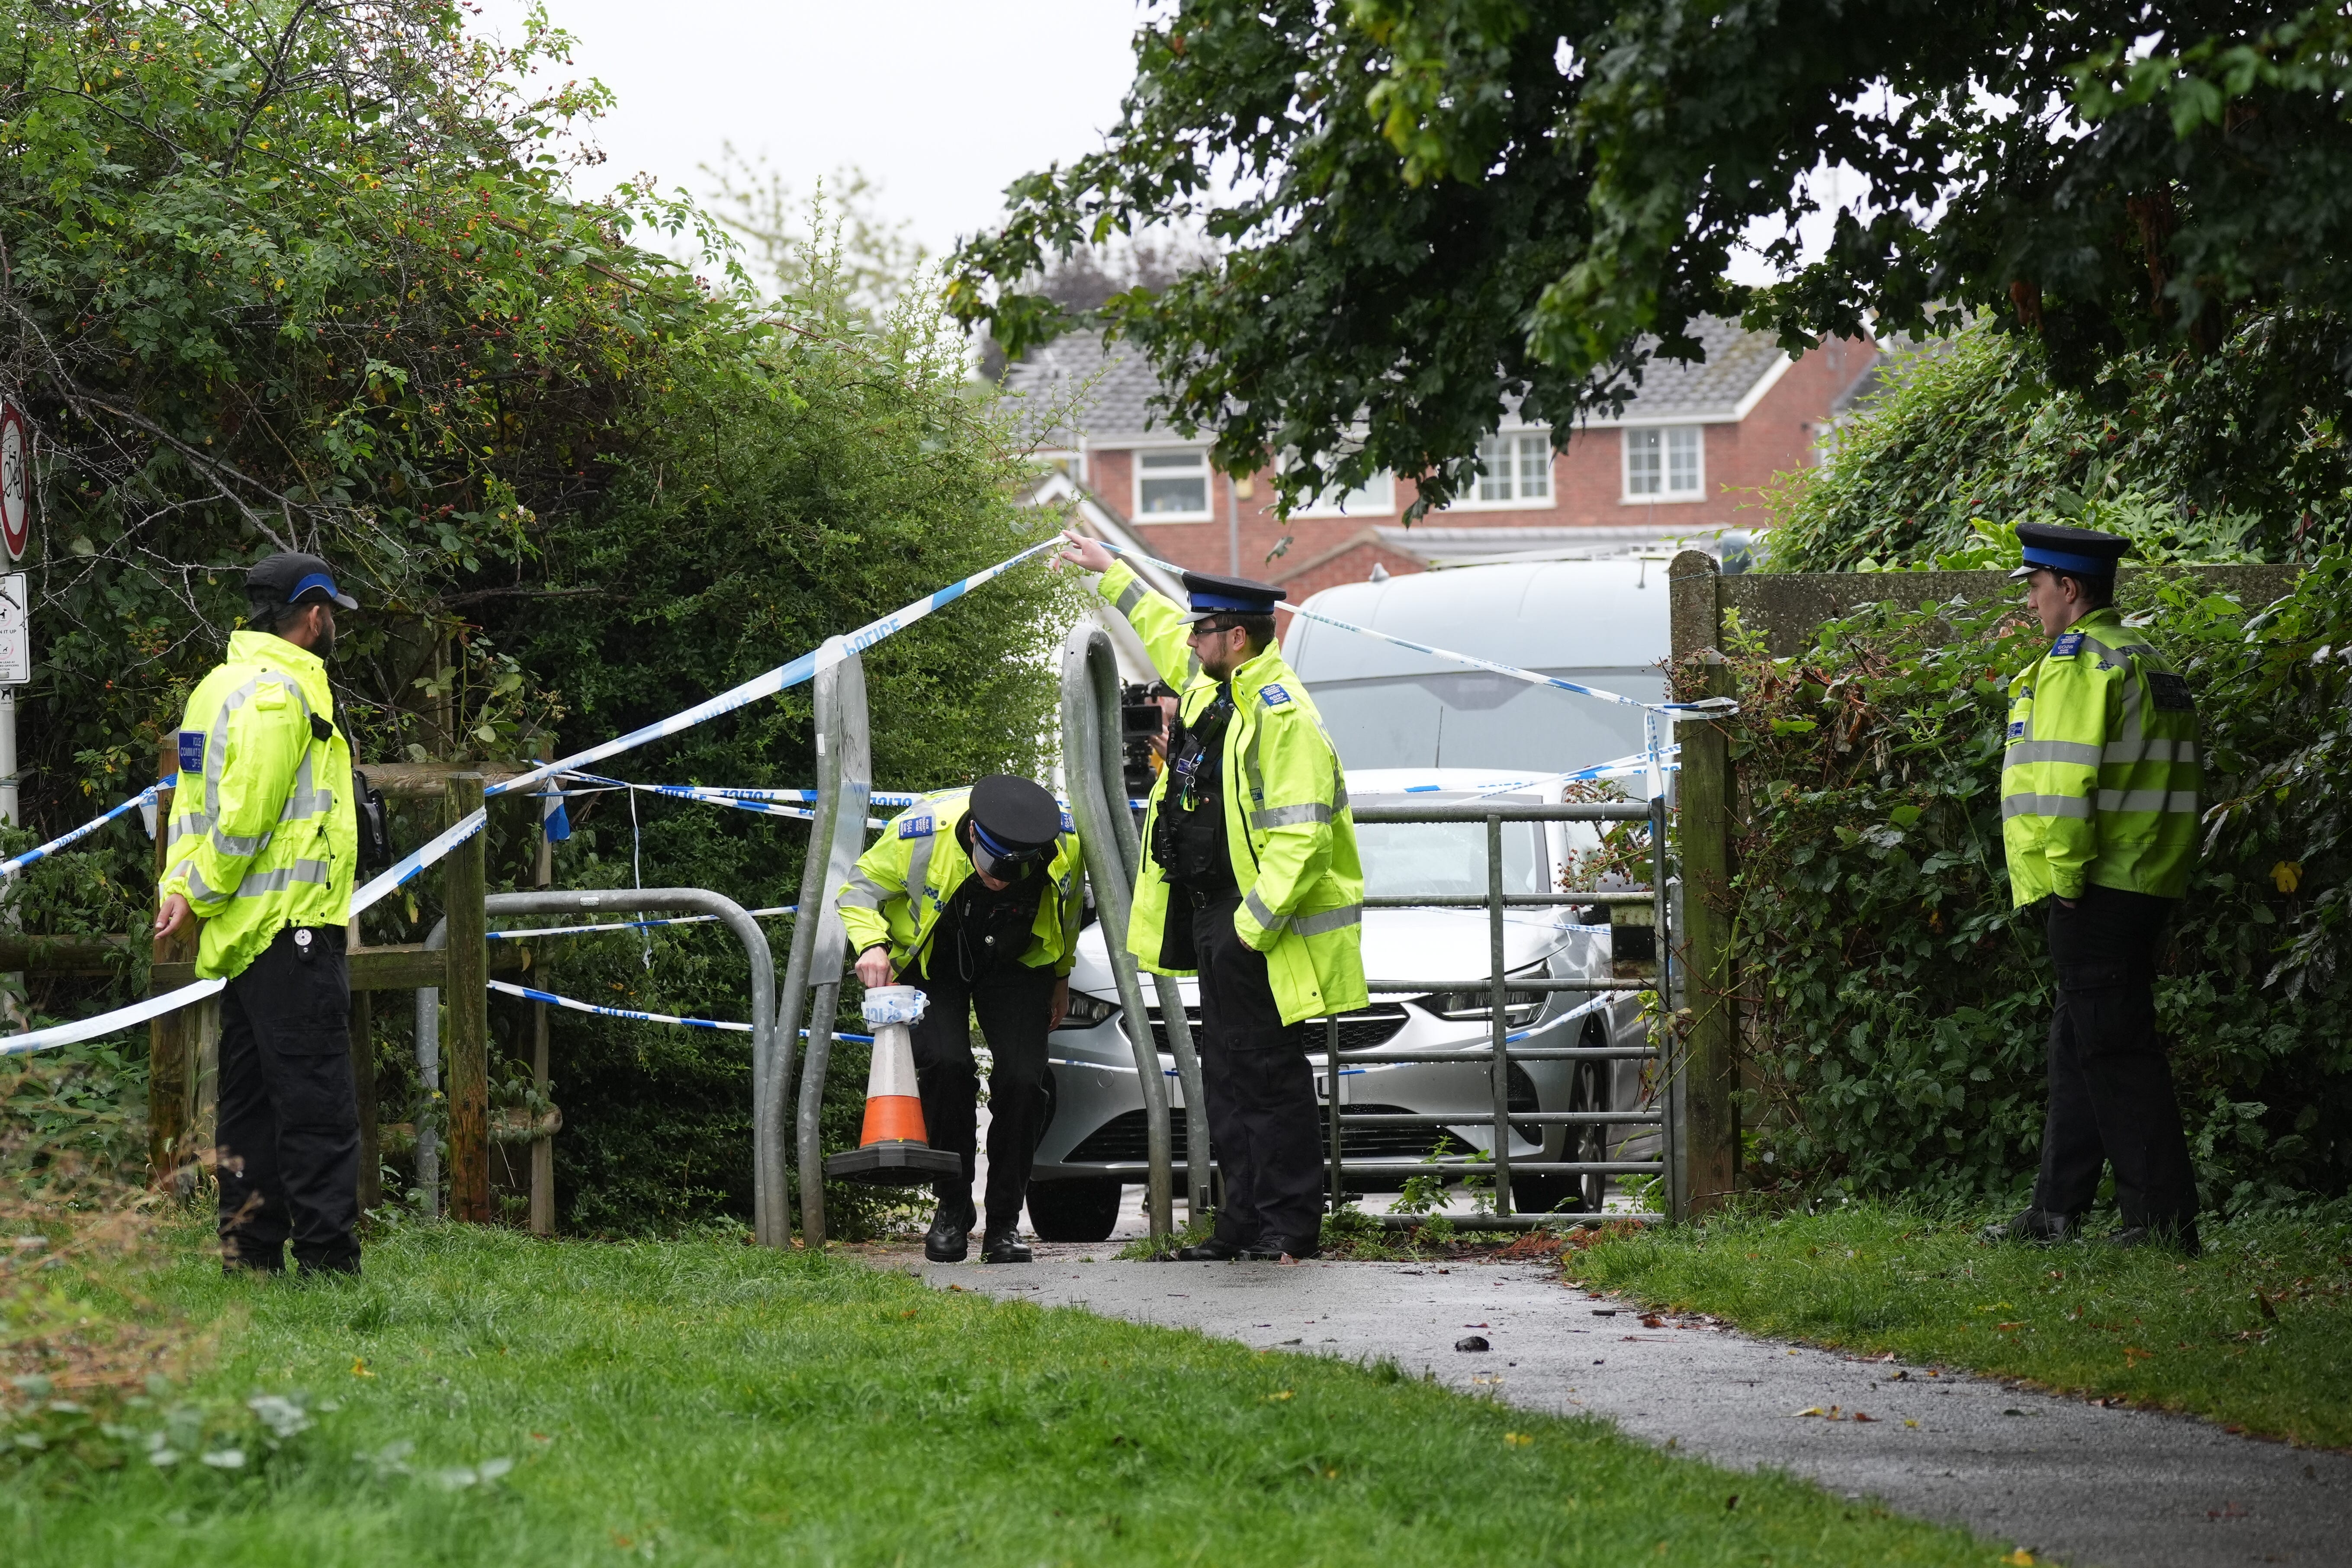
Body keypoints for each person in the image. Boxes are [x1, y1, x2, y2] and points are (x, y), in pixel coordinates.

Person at [1056, 530, 1367, 1263]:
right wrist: (1111, 571)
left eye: (1205, 629)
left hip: (1251, 921)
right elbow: (1164, 627)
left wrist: (1248, 928)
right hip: (1213, 913)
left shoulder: (1281, 713)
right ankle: (1240, 1224)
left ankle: (1288, 1227)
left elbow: (1302, 838)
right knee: (1227, 1074)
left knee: (1267, 1077)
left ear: (1235, 634)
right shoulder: (1213, 687)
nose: (1191, 640)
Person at [1983, 522, 2204, 1255]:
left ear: (2068, 590)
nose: (2033, 605)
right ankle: (2055, 1209)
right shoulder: (2145, 657)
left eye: (2037, 588)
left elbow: (2069, 783)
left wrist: (2067, 880)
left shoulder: (2081, 665)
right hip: (2147, 878)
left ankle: (2163, 1222)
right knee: (2078, 1042)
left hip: (2096, 885)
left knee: (2115, 1050)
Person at [154, 552, 364, 1277]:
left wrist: (179, 889)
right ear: (311, 613)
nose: (333, 623)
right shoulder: (284, 693)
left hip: (241, 941)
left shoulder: (215, 690)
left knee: (248, 1107)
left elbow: (189, 805)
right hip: (292, 927)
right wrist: (204, 888)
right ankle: (329, 1262)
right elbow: (246, 816)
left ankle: (248, 1253)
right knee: (316, 1105)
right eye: (330, 610)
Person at [839, 775, 1083, 1263]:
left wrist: (1061, 975)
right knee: (948, 1068)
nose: (1001, 879)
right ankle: (952, 1208)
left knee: (1021, 1078)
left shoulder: (1065, 843)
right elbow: (858, 890)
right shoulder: (921, 834)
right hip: (935, 961)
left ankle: (1005, 1224)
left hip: (1018, 963)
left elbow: (1069, 909)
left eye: (1017, 871)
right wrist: (871, 944)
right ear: (973, 835)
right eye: (994, 867)